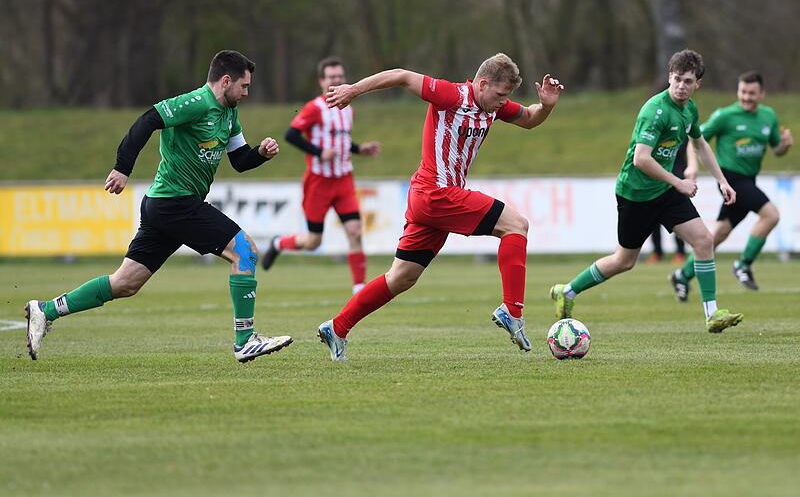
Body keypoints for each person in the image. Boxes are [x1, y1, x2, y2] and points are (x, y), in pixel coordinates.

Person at [24, 50, 293, 363]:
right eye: (244, 87)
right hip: (174, 202)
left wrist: (260, 152)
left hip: (166, 206)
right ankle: (245, 340)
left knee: (125, 283)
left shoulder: (229, 114)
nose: (246, 93)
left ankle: (45, 310)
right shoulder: (195, 103)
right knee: (244, 251)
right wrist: (123, 167)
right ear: (225, 80)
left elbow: (240, 160)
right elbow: (147, 120)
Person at [314, 53, 564, 361]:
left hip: (429, 200)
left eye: (507, 97)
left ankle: (337, 328)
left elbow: (529, 119)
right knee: (516, 225)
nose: (503, 102)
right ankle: (513, 311)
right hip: (436, 194)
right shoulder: (451, 95)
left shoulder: (492, 107)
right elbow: (402, 74)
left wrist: (548, 106)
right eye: (500, 95)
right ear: (482, 84)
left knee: (401, 277)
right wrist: (352, 90)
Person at [549, 49, 743, 333]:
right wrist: (678, 182)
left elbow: (700, 144)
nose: (681, 86)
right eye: (677, 79)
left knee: (703, 241)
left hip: (664, 191)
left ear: (697, 84)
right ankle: (567, 291)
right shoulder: (656, 111)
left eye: (688, 81)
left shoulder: (690, 109)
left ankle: (712, 315)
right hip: (635, 194)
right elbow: (641, 159)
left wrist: (722, 181)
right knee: (624, 261)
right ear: (669, 77)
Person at [260, 57, 381, 295]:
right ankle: (278, 243)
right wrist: (318, 152)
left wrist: (359, 149)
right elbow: (291, 135)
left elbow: (341, 140)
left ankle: (359, 290)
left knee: (355, 231)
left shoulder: (348, 109)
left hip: (344, 180)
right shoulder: (314, 108)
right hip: (319, 183)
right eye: (331, 77)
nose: (336, 81)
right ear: (322, 81)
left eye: (339, 77)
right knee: (313, 241)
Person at [670, 71, 793, 297]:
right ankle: (744, 264)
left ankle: (682, 275)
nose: (746, 97)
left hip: (749, 179)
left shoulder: (768, 116)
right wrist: (692, 166)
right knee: (771, 215)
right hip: (730, 179)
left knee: (716, 235)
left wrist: (785, 145)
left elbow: (777, 149)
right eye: (743, 92)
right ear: (738, 91)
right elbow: (694, 138)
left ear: (762, 94)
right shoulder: (724, 116)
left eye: (752, 93)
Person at [646, 141, 694, 264]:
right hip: (657, 180)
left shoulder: (683, 133)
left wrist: (692, 167)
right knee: (653, 220)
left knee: (679, 219)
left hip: (678, 180)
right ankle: (657, 253)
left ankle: (680, 252)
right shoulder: (656, 133)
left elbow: (696, 145)